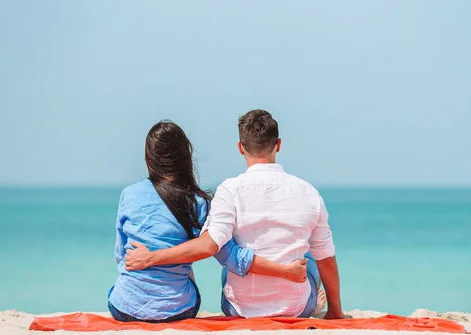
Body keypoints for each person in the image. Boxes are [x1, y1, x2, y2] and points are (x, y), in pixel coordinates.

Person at [125, 110, 345, 319]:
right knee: (313, 254)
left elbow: (210, 245)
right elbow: (326, 258)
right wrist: (336, 311)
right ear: (278, 145)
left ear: (241, 147)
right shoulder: (308, 192)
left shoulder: (229, 190)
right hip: (296, 307)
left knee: (229, 257)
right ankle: (318, 305)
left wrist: (151, 258)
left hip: (238, 308)